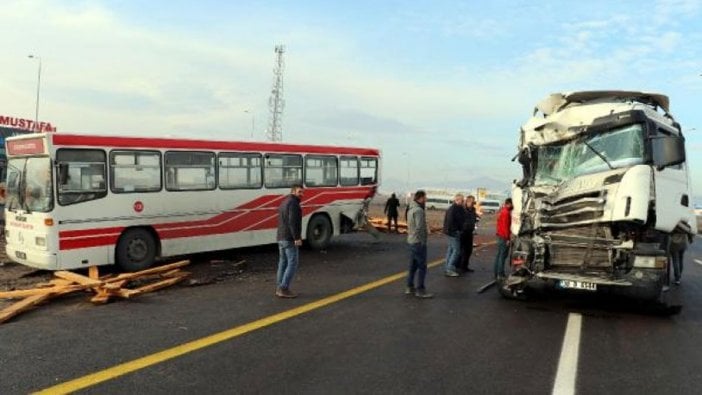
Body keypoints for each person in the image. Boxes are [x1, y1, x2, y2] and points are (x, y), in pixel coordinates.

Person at [275, 184, 304, 298]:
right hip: (289, 238)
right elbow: (293, 222)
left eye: (302, 192)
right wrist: (297, 238)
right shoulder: (294, 204)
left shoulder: (284, 202)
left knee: (282, 263)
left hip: (281, 237)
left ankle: (279, 287)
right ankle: (284, 288)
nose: (302, 194)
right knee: (293, 263)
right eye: (299, 192)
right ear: (293, 192)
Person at [406, 190, 433, 298]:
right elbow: (420, 227)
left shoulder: (411, 209)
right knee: (422, 266)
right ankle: (420, 289)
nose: (426, 199)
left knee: (413, 265)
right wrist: (422, 241)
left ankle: (409, 286)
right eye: (425, 197)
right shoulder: (419, 211)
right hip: (418, 242)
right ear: (421, 198)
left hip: (411, 240)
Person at [443, 194, 465, 277]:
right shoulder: (454, 209)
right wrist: (456, 230)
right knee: (456, 250)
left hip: (450, 232)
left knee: (451, 249)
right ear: (457, 200)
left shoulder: (453, 208)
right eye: (462, 200)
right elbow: (451, 221)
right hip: (453, 232)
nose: (463, 202)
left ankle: (447, 267)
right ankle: (449, 268)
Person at [493, 198, 513, 280]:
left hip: (500, 235)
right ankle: (500, 273)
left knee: (499, 255)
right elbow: (506, 227)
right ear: (509, 204)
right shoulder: (506, 213)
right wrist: (508, 238)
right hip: (503, 236)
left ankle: (496, 272)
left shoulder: (502, 211)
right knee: (502, 255)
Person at [459, 195, 478, 273]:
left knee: (469, 250)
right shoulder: (462, 210)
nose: (473, 204)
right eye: (472, 202)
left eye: (474, 202)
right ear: (468, 202)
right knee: (461, 250)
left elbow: (474, 219)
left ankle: (465, 266)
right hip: (463, 232)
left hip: (470, 231)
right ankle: (459, 265)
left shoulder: (473, 210)